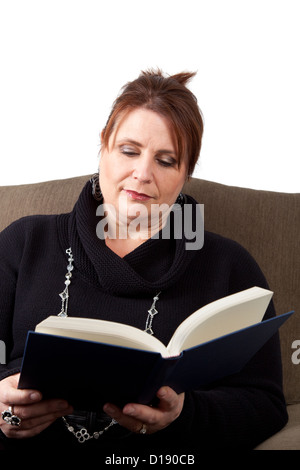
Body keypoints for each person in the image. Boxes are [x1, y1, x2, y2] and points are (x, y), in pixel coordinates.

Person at [0, 69, 288, 452]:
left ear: (186, 173)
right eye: (129, 151)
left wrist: (184, 415)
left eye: (166, 161)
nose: (142, 174)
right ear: (104, 146)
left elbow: (266, 405)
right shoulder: (24, 241)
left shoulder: (228, 266)